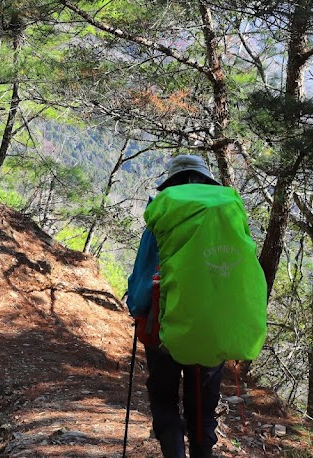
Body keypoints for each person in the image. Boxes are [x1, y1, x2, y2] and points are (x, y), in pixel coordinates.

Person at [127, 154, 226, 458]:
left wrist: (136, 308)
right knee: (202, 408)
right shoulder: (223, 216)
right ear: (206, 182)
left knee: (164, 398)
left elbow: (144, 276)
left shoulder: (162, 217)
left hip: (164, 327)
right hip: (210, 329)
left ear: (171, 184)